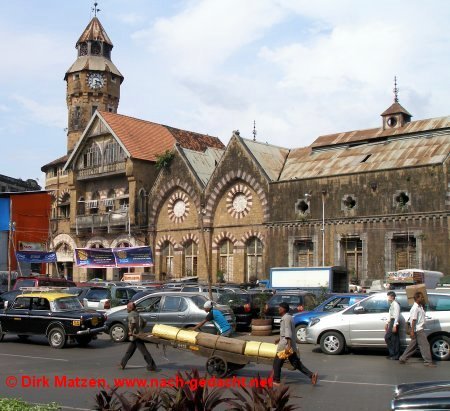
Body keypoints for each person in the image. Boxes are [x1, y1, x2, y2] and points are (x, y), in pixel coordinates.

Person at [272, 302, 318, 386]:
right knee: (296, 363)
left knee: (277, 363)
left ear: (284, 309)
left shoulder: (286, 318)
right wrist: (279, 339)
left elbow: (288, 332)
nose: (278, 309)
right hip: (288, 344)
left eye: (280, 308)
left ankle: (276, 381)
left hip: (285, 345)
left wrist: (288, 346)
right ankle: (311, 375)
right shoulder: (288, 317)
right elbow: (286, 332)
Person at [399, 292, 436, 367]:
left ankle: (403, 358)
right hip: (418, 329)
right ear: (417, 298)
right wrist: (412, 331)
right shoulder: (415, 308)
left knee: (413, 345)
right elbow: (413, 320)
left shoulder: (420, 306)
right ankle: (428, 361)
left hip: (418, 328)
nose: (422, 298)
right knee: (425, 345)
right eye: (421, 297)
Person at [119, 302, 158, 371]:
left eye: (127, 307)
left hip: (136, 336)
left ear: (130, 308)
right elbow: (144, 321)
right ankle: (123, 363)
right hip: (138, 334)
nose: (126, 309)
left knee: (144, 351)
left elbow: (133, 322)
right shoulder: (137, 314)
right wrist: (140, 329)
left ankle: (151, 365)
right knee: (130, 350)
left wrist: (131, 331)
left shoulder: (131, 314)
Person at [385, 291, 401, 360]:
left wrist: (394, 325)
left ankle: (395, 355)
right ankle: (392, 354)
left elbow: (396, 315)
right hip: (392, 321)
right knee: (391, 338)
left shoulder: (395, 304)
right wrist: (387, 323)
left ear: (392, 297)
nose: (388, 298)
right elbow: (390, 314)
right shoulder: (391, 304)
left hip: (395, 322)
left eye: (388, 296)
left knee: (392, 339)